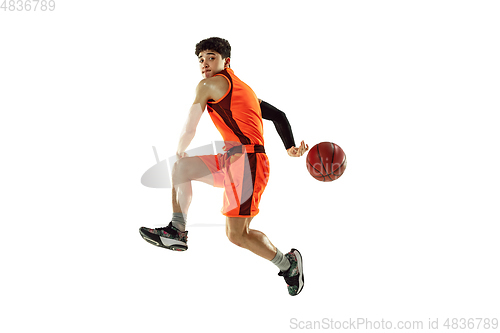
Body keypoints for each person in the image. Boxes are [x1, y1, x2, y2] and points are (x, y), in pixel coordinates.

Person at [139, 37, 309, 296]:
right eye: (200, 59)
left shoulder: (208, 85)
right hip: (234, 158)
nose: (204, 64)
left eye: (211, 57)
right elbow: (279, 115)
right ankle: (177, 230)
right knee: (182, 168)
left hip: (249, 163)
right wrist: (290, 147)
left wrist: (180, 146)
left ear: (226, 61)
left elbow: (190, 125)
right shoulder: (245, 90)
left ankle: (289, 265)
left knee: (238, 235)